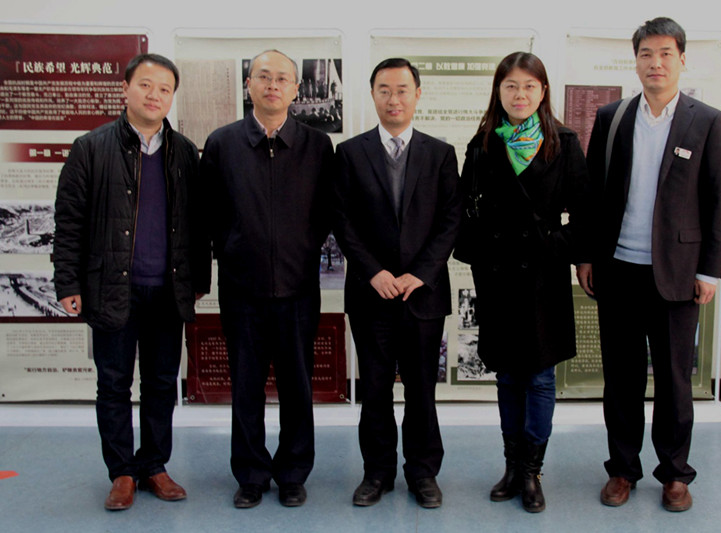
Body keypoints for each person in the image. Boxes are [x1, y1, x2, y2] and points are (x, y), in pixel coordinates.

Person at [578, 17, 721, 512]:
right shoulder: (613, 117)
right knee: (621, 380)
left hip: (678, 274)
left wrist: (710, 271)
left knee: (674, 382)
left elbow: (719, 201)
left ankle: (675, 474)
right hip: (618, 269)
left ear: (682, 59)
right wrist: (586, 254)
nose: (656, 63)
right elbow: (593, 194)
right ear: (636, 61)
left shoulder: (706, 121)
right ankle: (622, 469)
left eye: (666, 53)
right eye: (646, 54)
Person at [54, 53, 209, 511]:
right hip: (111, 288)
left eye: (164, 89)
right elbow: (69, 221)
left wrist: (199, 279)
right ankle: (121, 472)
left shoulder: (185, 152)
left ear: (172, 97)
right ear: (125, 88)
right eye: (145, 85)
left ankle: (154, 465)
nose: (154, 95)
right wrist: (68, 283)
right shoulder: (90, 148)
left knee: (161, 383)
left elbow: (198, 224)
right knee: (114, 384)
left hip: (168, 290)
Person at [453, 52, 590, 513]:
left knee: (541, 375)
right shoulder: (482, 144)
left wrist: (554, 246)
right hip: (497, 276)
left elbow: (586, 214)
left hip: (542, 274)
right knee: (508, 374)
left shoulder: (563, 142)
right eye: (511, 85)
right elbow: (463, 210)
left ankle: (532, 470)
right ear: (499, 91)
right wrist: (481, 254)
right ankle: (512, 466)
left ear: (543, 91)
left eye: (529, 86)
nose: (520, 94)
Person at [200, 50, 333, 510]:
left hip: (298, 289)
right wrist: (233, 250)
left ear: (296, 89)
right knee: (246, 386)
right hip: (242, 290)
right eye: (263, 76)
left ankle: (293, 473)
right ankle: (251, 474)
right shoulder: (222, 143)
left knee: (298, 386)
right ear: (249, 84)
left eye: (282, 78)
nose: (272, 85)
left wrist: (302, 249)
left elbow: (325, 213)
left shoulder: (317, 146)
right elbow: (209, 214)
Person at [333, 58, 461, 509]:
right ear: (373, 95)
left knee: (422, 390)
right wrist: (374, 271)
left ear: (417, 94)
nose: (394, 99)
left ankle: (423, 473)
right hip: (371, 294)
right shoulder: (350, 153)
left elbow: (451, 220)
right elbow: (342, 221)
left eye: (402, 89)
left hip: (422, 294)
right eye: (384, 90)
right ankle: (377, 472)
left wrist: (420, 273)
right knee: (374, 389)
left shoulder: (440, 153)